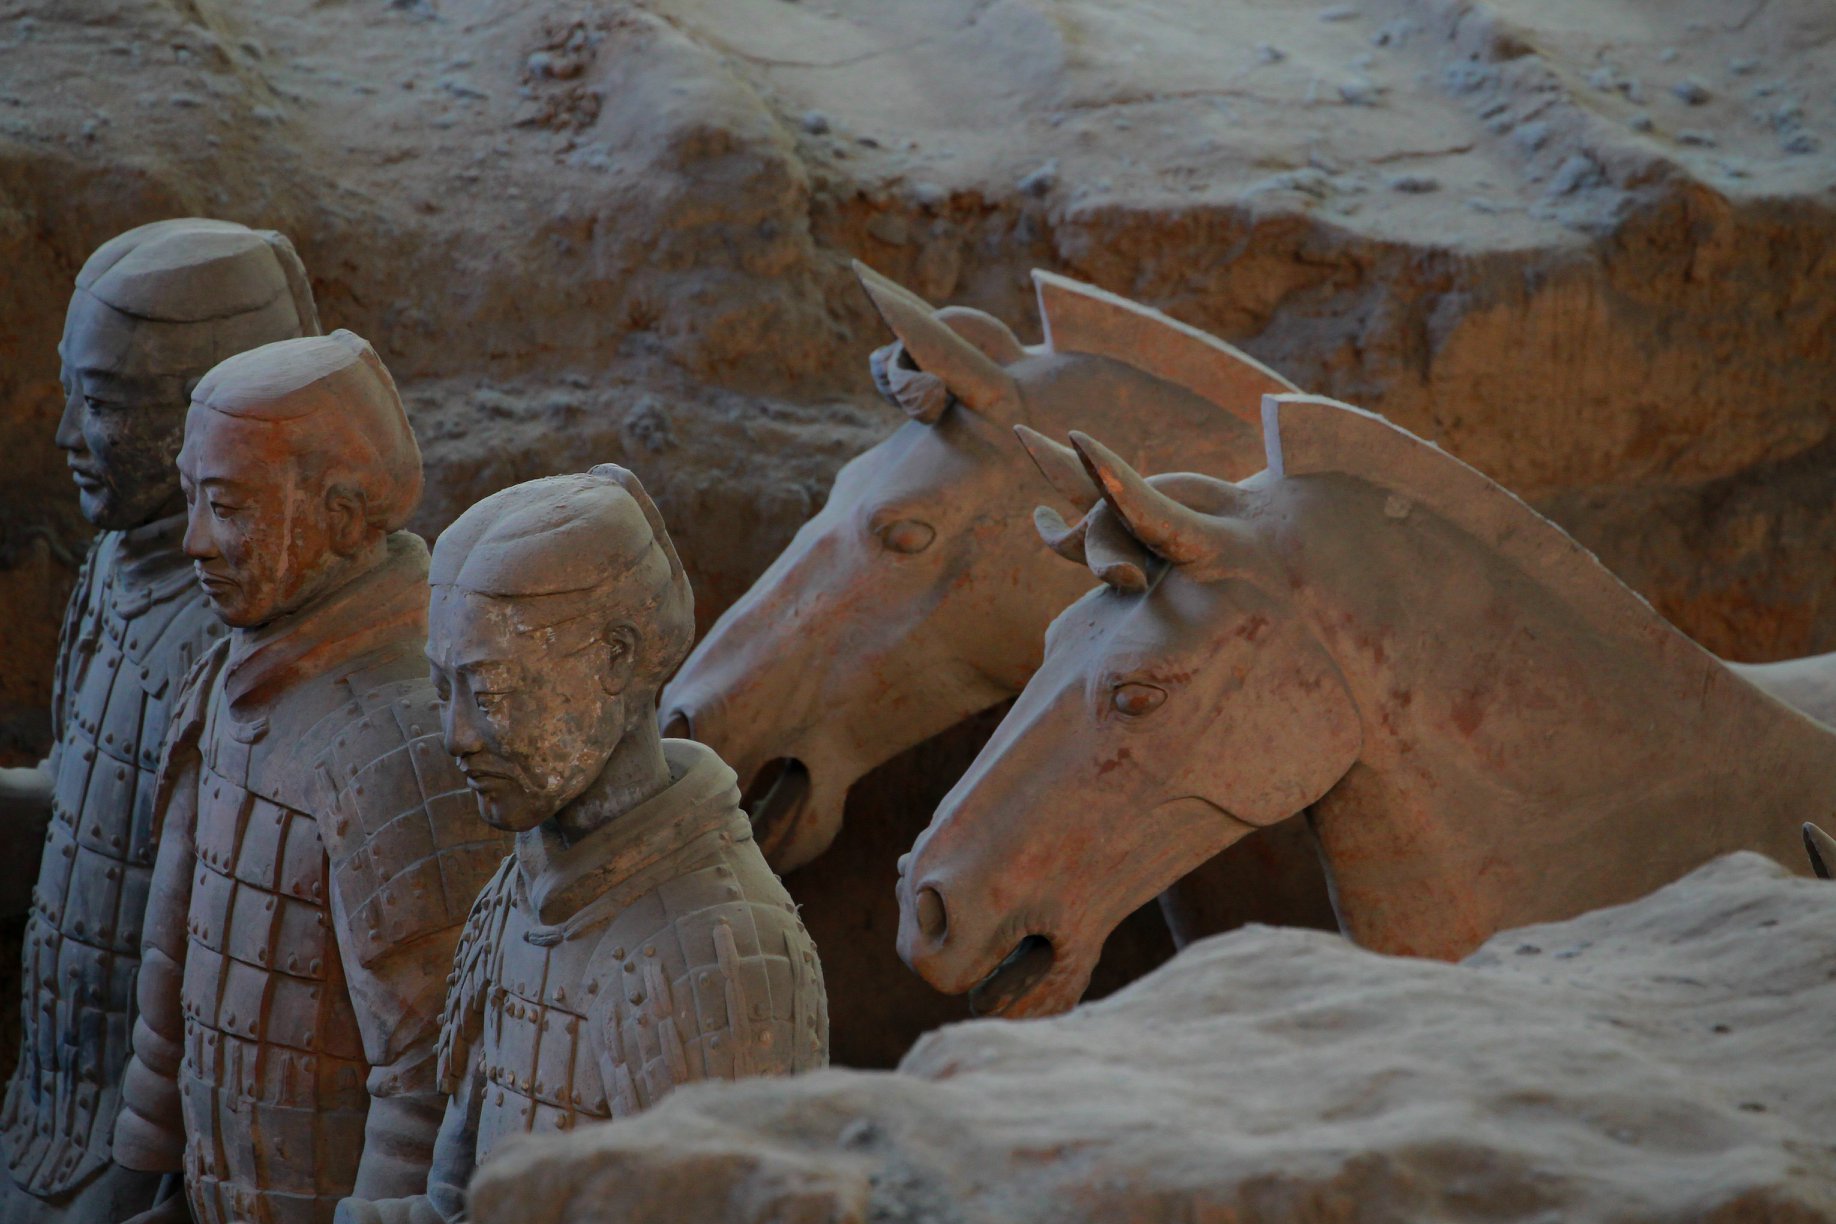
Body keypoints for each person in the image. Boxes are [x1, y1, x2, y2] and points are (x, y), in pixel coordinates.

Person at [338, 467, 828, 1224]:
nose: (457, 735)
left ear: (616, 660)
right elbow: (457, 1200)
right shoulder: (517, 893)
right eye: (443, 690)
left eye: (490, 693)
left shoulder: (719, 950)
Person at [110, 331, 509, 1224]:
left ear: (339, 515)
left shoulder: (401, 741)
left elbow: (428, 1086)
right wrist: (152, 1185)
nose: (195, 541)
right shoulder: (229, 678)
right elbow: (173, 977)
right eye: (189, 497)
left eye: (228, 506)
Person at [1, 218, 319, 1224]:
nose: (66, 436)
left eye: (102, 404)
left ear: (206, 420)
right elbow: (84, 810)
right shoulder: (120, 559)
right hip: (49, 1118)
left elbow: (264, 968)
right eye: (73, 391)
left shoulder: (252, 633)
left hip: (149, 1164)